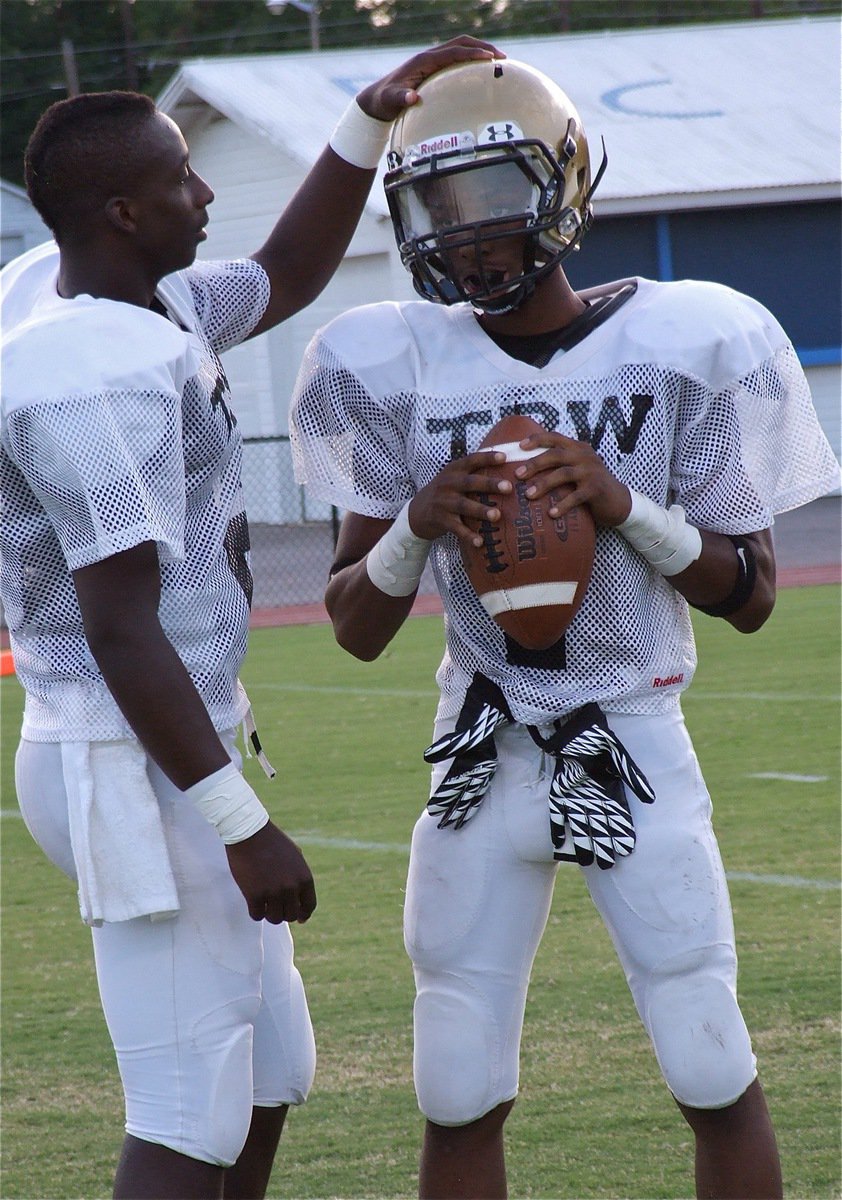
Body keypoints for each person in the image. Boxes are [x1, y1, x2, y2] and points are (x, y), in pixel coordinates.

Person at [289, 57, 841, 1199]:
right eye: (438, 205)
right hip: (477, 751)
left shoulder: (688, 338)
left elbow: (750, 595)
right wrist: (413, 527)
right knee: (452, 1080)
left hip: (629, 731)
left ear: (561, 185)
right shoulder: (392, 360)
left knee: (706, 1054)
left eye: (490, 193)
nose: (467, 233)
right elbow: (350, 623)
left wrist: (621, 506)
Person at [0, 36, 504, 1200]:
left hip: (160, 744)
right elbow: (120, 626)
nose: (207, 189)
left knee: (269, 1073)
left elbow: (286, 266)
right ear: (122, 211)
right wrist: (238, 822)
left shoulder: (128, 293)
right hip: (122, 761)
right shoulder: (88, 372)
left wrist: (367, 119)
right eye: (184, 176)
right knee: (185, 1113)